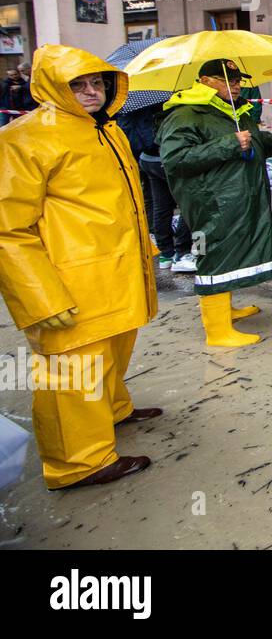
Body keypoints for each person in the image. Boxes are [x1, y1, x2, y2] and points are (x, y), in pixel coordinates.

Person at [0, 45, 159, 489]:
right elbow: (7, 227)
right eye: (79, 84)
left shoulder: (106, 130)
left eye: (97, 83)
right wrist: (38, 295)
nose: (91, 92)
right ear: (53, 86)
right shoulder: (24, 138)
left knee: (112, 350)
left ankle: (111, 411)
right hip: (66, 280)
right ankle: (78, 462)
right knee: (72, 370)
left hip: (114, 272)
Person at [159, 58, 272, 347]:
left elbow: (254, 144)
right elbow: (175, 160)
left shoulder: (236, 112)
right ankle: (216, 329)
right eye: (227, 80)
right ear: (204, 81)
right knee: (213, 257)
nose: (236, 86)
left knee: (231, 256)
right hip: (211, 205)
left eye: (238, 81)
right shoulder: (185, 115)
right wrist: (229, 144)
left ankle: (226, 310)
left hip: (239, 200)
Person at [119, 102, 196, 272]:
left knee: (160, 205)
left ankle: (166, 253)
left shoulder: (131, 101)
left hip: (145, 157)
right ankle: (183, 252)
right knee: (189, 201)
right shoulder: (165, 100)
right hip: (165, 156)